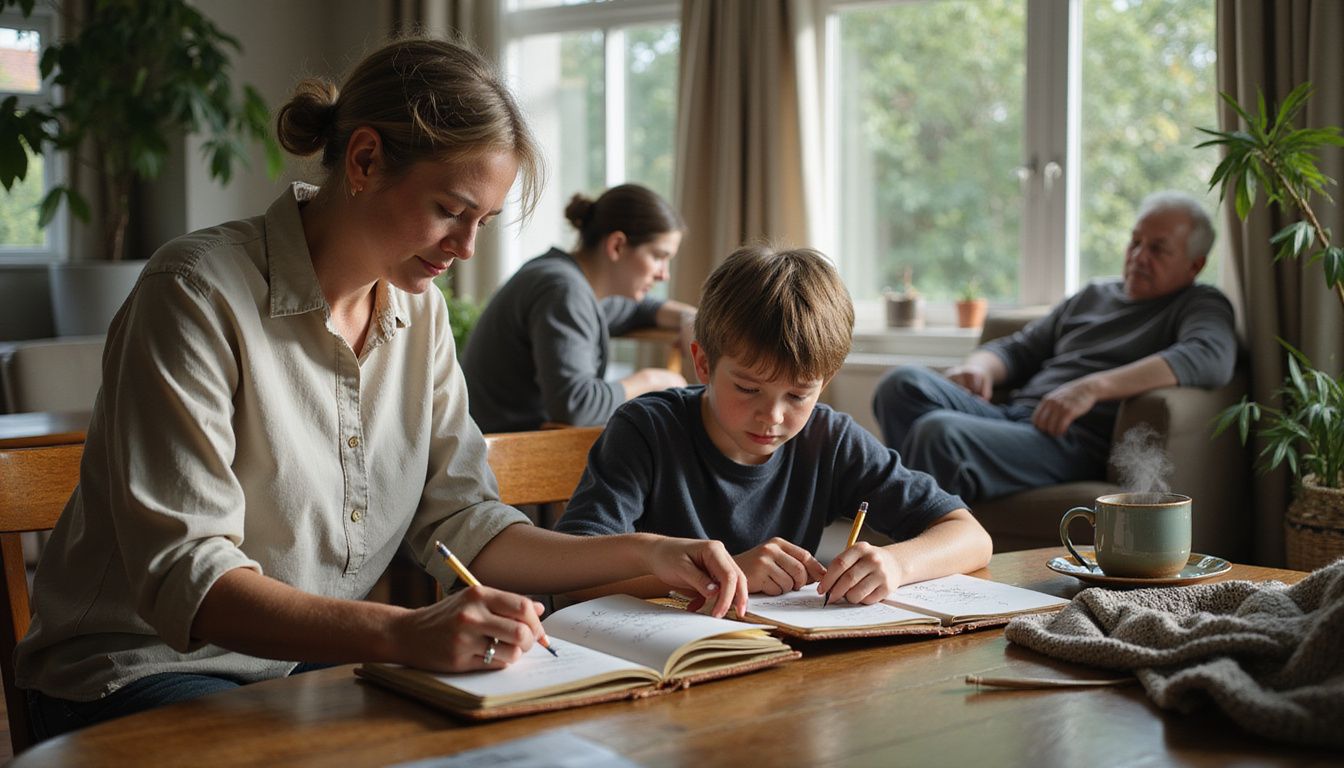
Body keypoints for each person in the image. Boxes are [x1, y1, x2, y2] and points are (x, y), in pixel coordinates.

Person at [13, 38, 748, 740]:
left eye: (482, 223)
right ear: (363, 159)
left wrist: (646, 553)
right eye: (450, 211)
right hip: (132, 674)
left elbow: (463, 519)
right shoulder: (195, 294)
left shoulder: (416, 310)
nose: (464, 249)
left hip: (289, 666)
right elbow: (188, 575)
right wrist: (403, 631)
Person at [555, 245, 992, 604]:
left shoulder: (828, 438)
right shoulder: (646, 430)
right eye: (747, 389)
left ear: (825, 383)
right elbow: (572, 578)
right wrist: (722, 575)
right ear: (703, 363)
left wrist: (898, 564)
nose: (774, 416)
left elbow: (970, 535)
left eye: (799, 395)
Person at [872, 190, 1238, 502]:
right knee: (900, 385)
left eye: (1158, 249)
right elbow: (1019, 349)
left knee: (939, 432)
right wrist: (979, 367)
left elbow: (1209, 357)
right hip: (1014, 419)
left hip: (1070, 440)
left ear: (1195, 264)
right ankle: (940, 503)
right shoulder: (1094, 294)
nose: (1139, 256)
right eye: (1135, 241)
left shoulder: (1199, 303)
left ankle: (922, 542)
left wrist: (1092, 388)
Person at [462, 184, 693, 433]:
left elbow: (640, 311)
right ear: (617, 245)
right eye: (658, 256)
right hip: (506, 456)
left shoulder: (566, 279)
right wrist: (654, 381)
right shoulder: (563, 291)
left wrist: (690, 318)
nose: (664, 274)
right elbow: (577, 406)